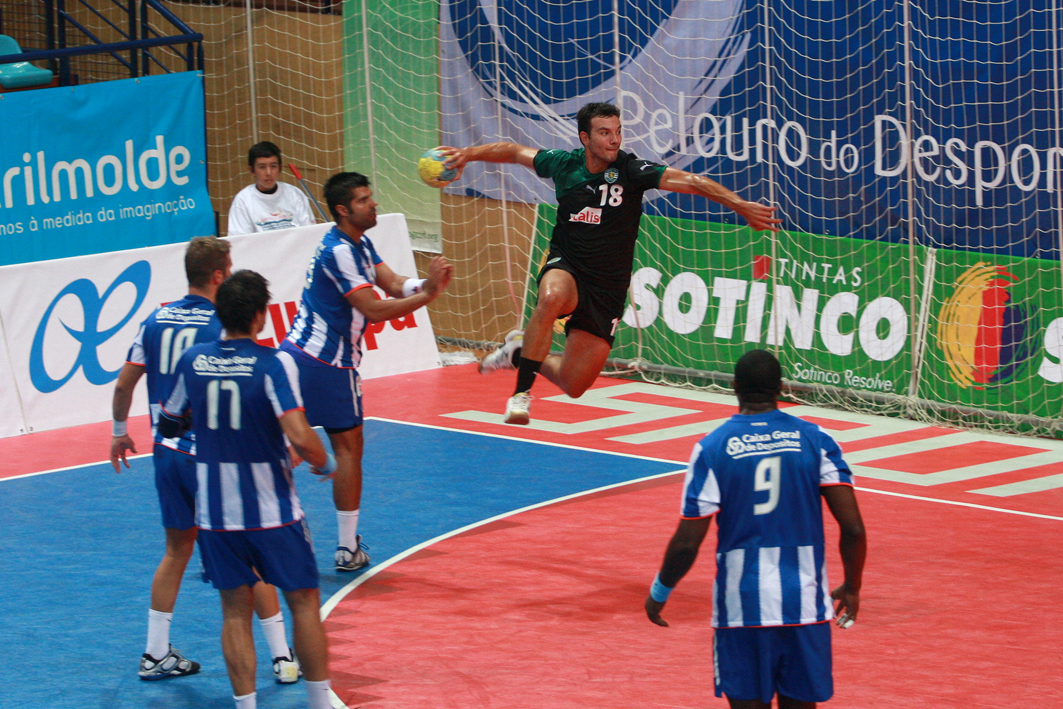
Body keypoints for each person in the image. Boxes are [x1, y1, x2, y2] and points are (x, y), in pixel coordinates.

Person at [440, 102, 782, 425]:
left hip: (608, 288)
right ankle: (521, 394)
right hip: (568, 265)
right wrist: (467, 155)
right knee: (551, 298)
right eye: (604, 132)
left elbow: (692, 182)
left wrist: (741, 206)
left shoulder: (631, 171)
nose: (614, 139)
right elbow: (514, 152)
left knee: (574, 384)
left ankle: (518, 352)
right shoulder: (563, 164)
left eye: (617, 131)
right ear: (585, 138)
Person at [110, 237, 302, 683]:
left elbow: (124, 384)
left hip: (165, 451)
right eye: (230, 267)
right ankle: (281, 655)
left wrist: (120, 432)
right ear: (218, 275)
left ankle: (155, 652)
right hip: (213, 459)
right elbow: (246, 389)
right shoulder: (221, 324)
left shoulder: (155, 318)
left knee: (176, 550)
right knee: (251, 555)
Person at [644, 349, 867, 709]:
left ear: (734, 387)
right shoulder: (817, 440)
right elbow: (853, 528)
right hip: (804, 609)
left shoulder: (712, 448)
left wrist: (659, 593)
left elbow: (687, 543)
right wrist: (853, 587)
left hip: (741, 609)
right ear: (781, 388)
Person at [157, 270, 335, 709]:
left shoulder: (193, 360)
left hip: (217, 515)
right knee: (305, 604)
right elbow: (300, 436)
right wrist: (324, 460)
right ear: (260, 317)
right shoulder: (273, 363)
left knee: (234, 612)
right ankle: (317, 703)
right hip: (273, 512)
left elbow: (169, 421)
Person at [280, 172, 454, 571]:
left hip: (296, 355)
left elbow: (392, 284)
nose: (373, 204)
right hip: (327, 363)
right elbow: (374, 310)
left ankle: (252, 515)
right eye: (363, 200)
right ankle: (346, 548)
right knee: (348, 447)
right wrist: (427, 296)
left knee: (291, 444)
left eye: (371, 197)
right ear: (343, 210)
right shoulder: (339, 251)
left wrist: (423, 283)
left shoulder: (357, 243)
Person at [228, 141, 316, 235]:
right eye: (262, 167)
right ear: (252, 170)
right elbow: (240, 241)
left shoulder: (295, 194)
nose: (268, 173)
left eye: (273, 166)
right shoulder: (243, 200)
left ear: (280, 168)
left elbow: (309, 232)